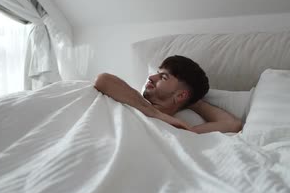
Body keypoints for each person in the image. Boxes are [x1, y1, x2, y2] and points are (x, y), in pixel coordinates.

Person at [94, 55, 242, 134]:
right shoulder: (129, 98)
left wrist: (194, 101)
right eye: (157, 73)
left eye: (163, 77)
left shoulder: (182, 129)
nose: (151, 78)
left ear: (181, 95)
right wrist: (156, 114)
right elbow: (103, 80)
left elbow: (233, 124)